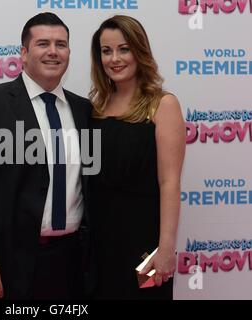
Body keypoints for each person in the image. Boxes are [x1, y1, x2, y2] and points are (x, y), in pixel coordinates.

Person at [0, 12, 91, 300]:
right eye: (43, 43)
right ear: (24, 53)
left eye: (61, 44)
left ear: (69, 53)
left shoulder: (84, 109)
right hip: (6, 266)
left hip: (71, 264)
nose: (53, 51)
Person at [88, 15, 186, 299]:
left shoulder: (162, 104)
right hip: (99, 243)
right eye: (106, 51)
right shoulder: (96, 107)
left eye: (124, 48)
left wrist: (165, 250)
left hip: (144, 247)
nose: (114, 58)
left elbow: (169, 182)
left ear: (139, 51)